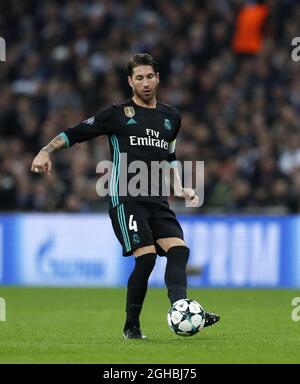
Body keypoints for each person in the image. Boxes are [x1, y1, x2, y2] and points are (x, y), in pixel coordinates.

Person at [31, 53, 220, 339]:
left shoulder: (171, 116)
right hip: (126, 197)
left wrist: (179, 187)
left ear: (158, 78)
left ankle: (182, 308)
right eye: (139, 78)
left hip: (157, 198)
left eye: (150, 77)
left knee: (179, 250)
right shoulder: (117, 114)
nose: (145, 83)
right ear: (130, 81)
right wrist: (46, 150)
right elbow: (77, 132)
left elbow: (170, 156)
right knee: (145, 259)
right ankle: (131, 326)